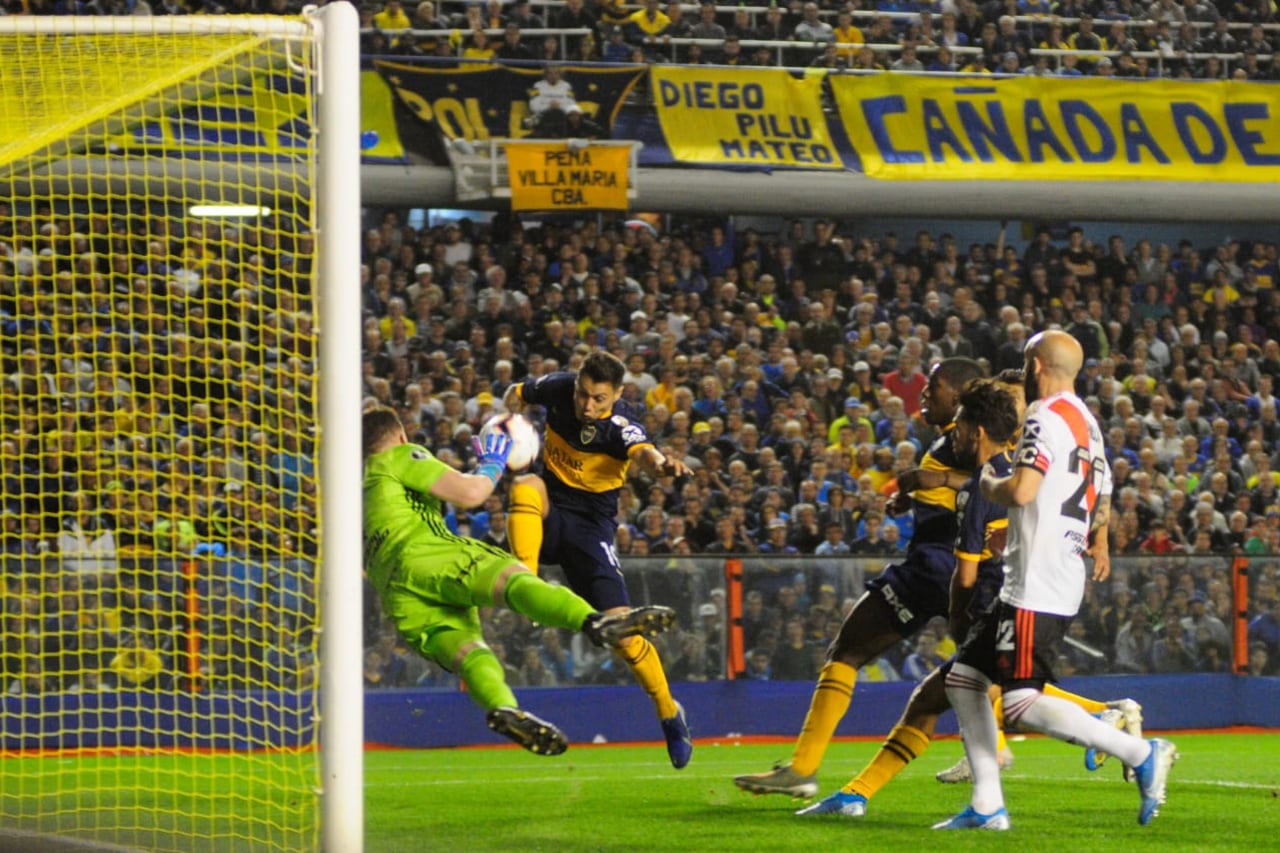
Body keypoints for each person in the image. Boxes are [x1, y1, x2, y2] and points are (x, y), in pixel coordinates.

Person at [796, 376, 1140, 818]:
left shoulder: (1012, 462)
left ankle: (1123, 741)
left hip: (1014, 592)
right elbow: (1098, 473)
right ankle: (907, 798)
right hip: (1042, 585)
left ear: (977, 428)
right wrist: (1100, 532)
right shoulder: (1058, 436)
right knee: (958, 691)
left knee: (1010, 699)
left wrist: (960, 618)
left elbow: (969, 564)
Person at [936, 331, 1176, 830]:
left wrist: (985, 482)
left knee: (1020, 703)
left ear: (1037, 365)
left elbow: (1022, 491)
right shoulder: (1086, 421)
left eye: (1026, 364)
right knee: (963, 680)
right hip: (1051, 570)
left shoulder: (1044, 416)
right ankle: (987, 805)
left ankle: (1139, 750)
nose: (1022, 374)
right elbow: (1102, 485)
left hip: (1037, 578)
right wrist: (1101, 540)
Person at [732, 358, 985, 798]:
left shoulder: (971, 438)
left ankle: (805, 767)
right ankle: (1093, 720)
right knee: (995, 676)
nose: (925, 394)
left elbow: (999, 478)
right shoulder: (950, 440)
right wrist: (920, 495)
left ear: (961, 395)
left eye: (936, 387)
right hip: (952, 567)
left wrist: (937, 479)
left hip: (938, 566)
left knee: (848, 650)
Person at [362, 405, 675, 755]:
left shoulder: (356, 491)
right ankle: (595, 622)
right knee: (516, 581)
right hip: (425, 555)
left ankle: (503, 706)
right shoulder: (399, 456)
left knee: (470, 653)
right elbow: (471, 495)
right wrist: (493, 464)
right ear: (401, 435)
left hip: (395, 593)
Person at [503, 351, 696, 768]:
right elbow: (513, 394)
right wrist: (510, 425)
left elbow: (646, 454)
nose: (588, 406)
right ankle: (526, 583)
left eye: (599, 399)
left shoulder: (621, 426)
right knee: (525, 486)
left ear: (618, 395)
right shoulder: (557, 388)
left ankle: (668, 711)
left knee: (622, 633)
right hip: (549, 512)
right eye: (583, 395)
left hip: (590, 531)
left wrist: (663, 466)